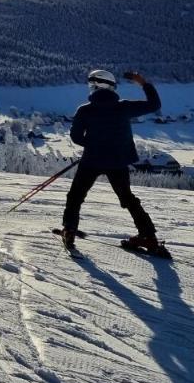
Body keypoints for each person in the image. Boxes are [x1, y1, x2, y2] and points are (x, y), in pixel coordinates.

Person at [63, 69, 164, 253]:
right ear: (111, 87)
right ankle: (148, 236)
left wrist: (92, 144)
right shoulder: (124, 107)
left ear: (94, 86)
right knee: (127, 199)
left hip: (91, 161)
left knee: (75, 197)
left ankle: (69, 230)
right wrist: (143, 83)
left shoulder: (85, 110)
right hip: (118, 162)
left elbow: (76, 137)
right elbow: (155, 104)